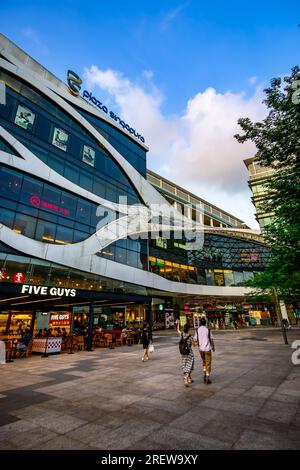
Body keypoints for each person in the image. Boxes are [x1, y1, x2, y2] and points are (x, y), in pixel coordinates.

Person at [194, 317, 215, 385]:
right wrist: (213, 347)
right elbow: (211, 340)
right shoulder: (208, 330)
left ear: (200, 323)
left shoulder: (197, 330)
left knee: (204, 362)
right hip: (207, 349)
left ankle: (204, 373)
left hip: (201, 349)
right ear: (205, 323)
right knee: (208, 363)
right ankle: (207, 378)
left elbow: (195, 340)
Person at [176, 320, 194, 387]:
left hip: (183, 353)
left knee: (185, 365)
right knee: (189, 366)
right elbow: (194, 345)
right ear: (189, 329)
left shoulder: (181, 334)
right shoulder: (190, 336)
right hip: (189, 354)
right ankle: (186, 378)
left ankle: (189, 378)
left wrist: (178, 323)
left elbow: (177, 330)